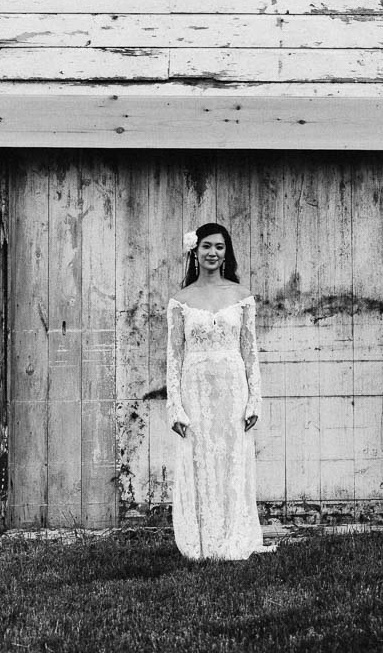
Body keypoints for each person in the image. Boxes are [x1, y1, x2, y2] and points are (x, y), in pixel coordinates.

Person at [165, 221, 268, 559]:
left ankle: (234, 537)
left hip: (232, 388)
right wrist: (175, 407)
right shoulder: (180, 301)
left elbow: (250, 352)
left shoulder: (241, 297)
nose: (213, 252)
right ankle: (202, 540)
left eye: (219, 247)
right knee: (199, 460)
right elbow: (174, 357)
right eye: (206, 246)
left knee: (232, 459)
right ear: (195, 251)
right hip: (195, 389)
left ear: (226, 253)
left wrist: (254, 400)